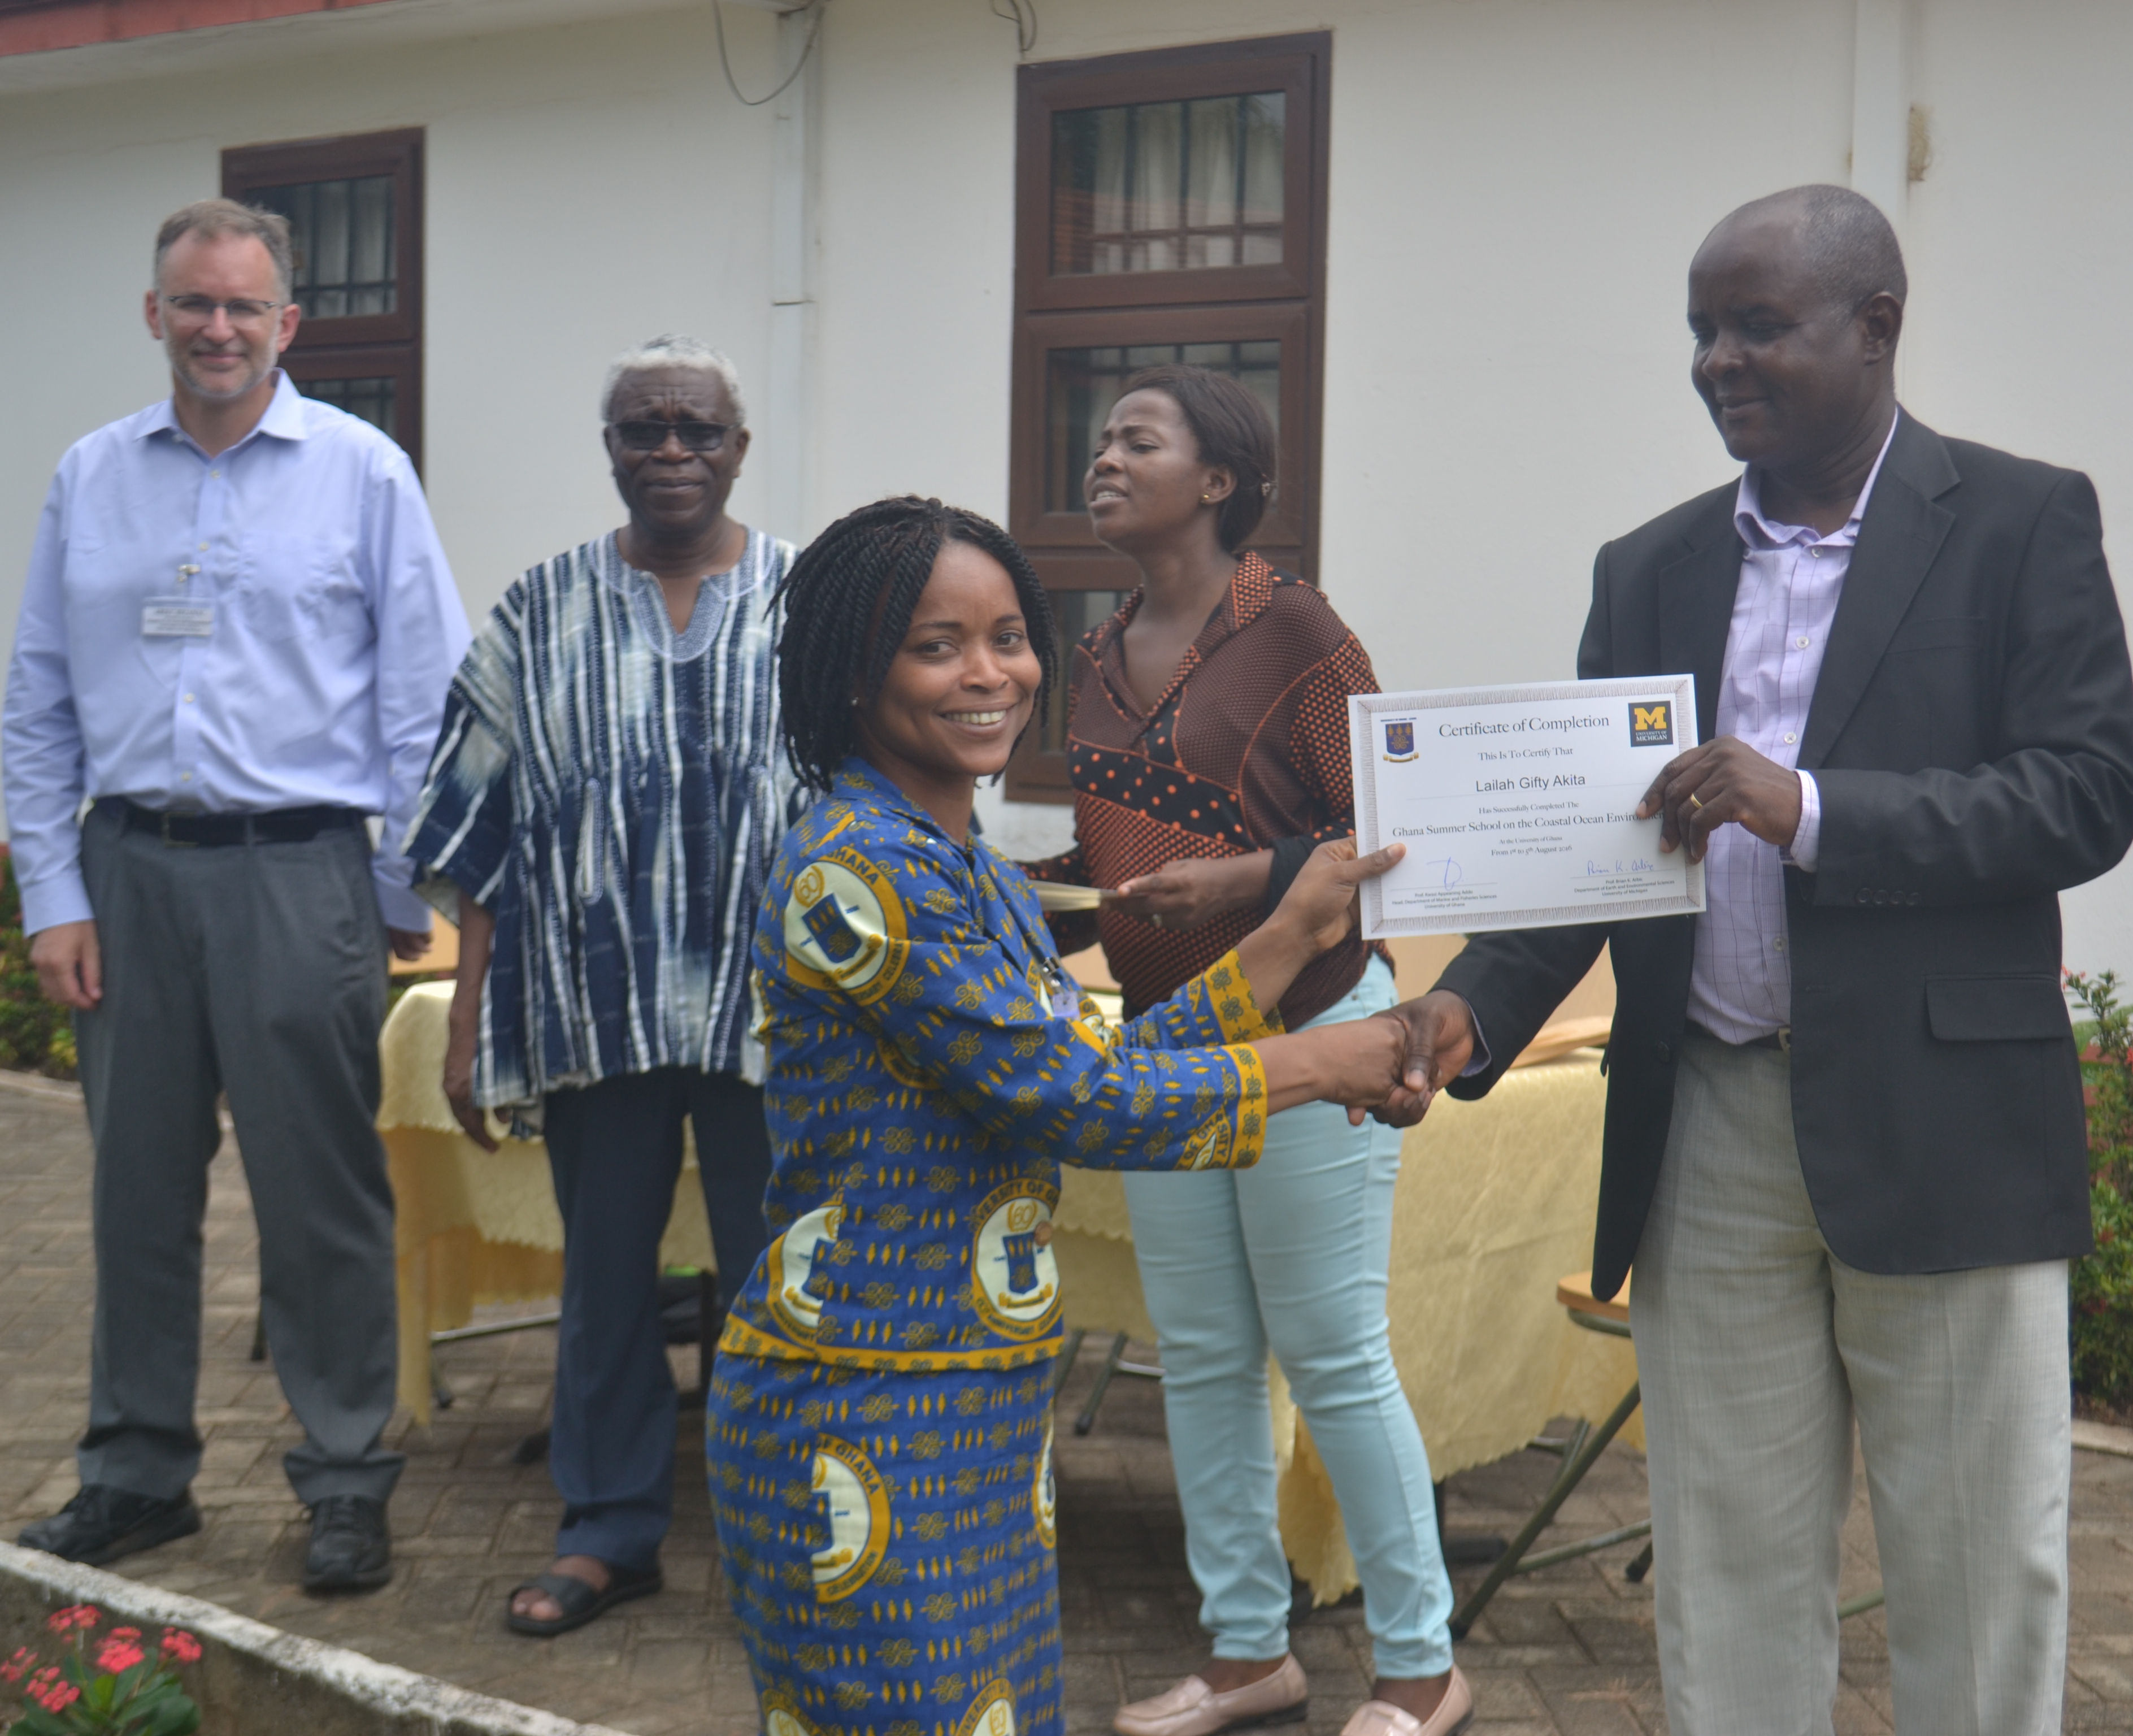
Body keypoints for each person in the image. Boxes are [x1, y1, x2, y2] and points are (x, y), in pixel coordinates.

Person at [1379, 185, 2133, 1735]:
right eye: (1701, 331)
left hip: (1940, 1120)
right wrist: (1464, 1011)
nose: (1718, 360)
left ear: (1878, 327)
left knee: (1975, 1566)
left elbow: (2085, 794)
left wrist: (1808, 809)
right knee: (1728, 1565)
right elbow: (1591, 851)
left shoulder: (2019, 521)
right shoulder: (1647, 566)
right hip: (1708, 1124)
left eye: (1757, 326)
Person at [703, 494, 1410, 1736]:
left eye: (1010, 637)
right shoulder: (863, 870)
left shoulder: (966, 862)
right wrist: (1330, 1059)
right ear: (853, 674)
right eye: (936, 647)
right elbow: (1082, 1103)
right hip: (866, 1407)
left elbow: (1094, 1060)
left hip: (973, 1396)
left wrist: (1289, 939)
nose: (991, 675)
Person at [2, 198, 468, 1590]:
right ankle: (137, 1473)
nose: (218, 328)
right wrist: (53, 892)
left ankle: (344, 1476)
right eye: (194, 303)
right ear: (155, 314)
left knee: (319, 1196)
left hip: (298, 875)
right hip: (127, 876)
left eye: (243, 306)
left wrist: (395, 887)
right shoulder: (92, 475)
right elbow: (38, 696)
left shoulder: (363, 474)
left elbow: (423, 700)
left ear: (287, 323)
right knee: (137, 1193)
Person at [1028, 364, 1464, 1736]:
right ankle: (1245, 1653)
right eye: (1101, 439)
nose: (1104, 457)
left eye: (1137, 440)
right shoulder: (1096, 650)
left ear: (1217, 480)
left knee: (1331, 1353)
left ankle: (1422, 1668)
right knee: (1204, 1355)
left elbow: (1393, 830)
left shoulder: (1297, 632)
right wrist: (1018, 899)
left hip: (1314, 1019)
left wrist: (1233, 884)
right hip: (1169, 1045)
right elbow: (1118, 845)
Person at [405, 335, 794, 1637]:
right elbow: (480, 826)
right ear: (612, 450)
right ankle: (610, 1532)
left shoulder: (808, 599)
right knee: (607, 1281)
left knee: (779, 1279)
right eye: (644, 429)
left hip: (770, 1013)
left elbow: (880, 789)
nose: (671, 451)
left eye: (698, 429)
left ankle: (786, 1533)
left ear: (739, 449)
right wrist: (470, 1017)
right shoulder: (541, 609)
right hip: (595, 1008)